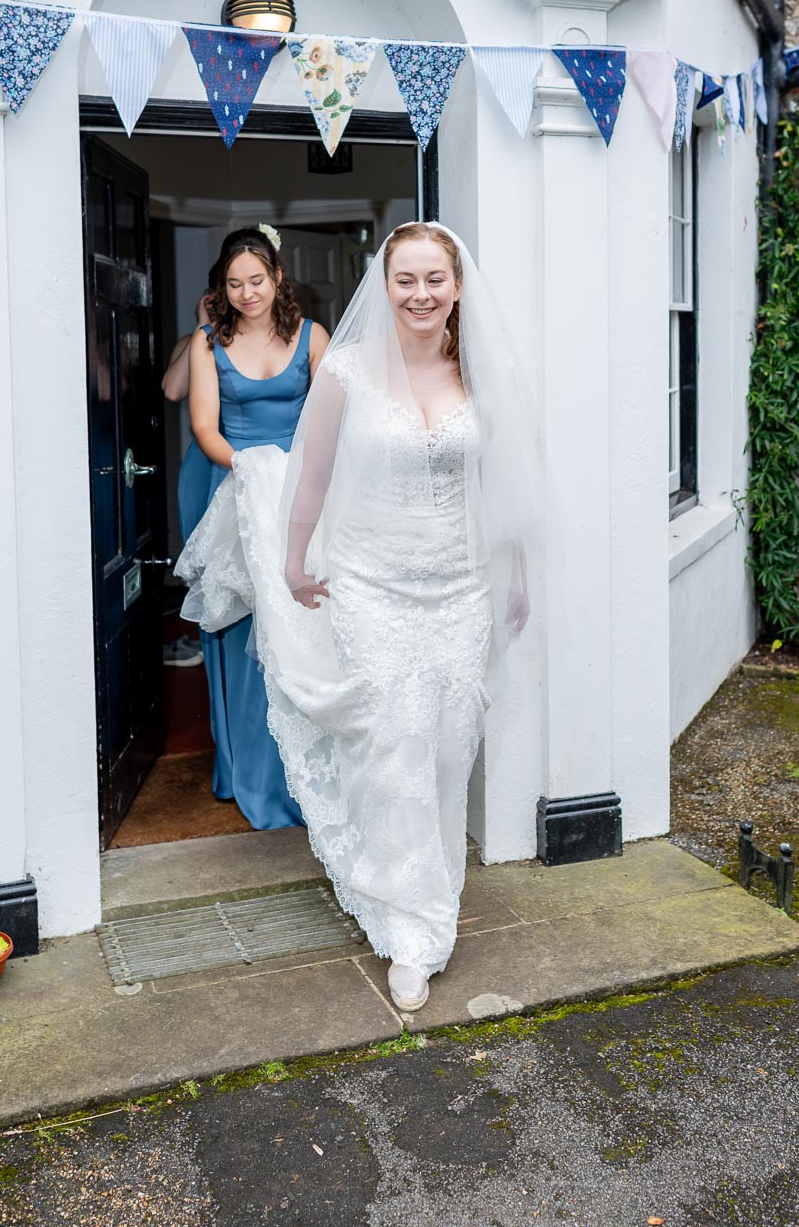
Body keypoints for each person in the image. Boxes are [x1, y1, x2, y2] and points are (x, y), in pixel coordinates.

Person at [178, 223, 538, 1012]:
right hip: (372, 583)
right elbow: (311, 475)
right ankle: (411, 931)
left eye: (433, 279)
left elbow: (504, 488)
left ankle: (424, 889)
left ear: (456, 285)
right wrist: (293, 559)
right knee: (394, 748)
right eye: (405, 279)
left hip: (461, 587)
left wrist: (517, 580)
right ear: (385, 287)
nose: (420, 294)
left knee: (447, 751)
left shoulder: (480, 371)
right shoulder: (343, 368)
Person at [184, 224, 330, 829]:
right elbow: (204, 428)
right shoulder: (206, 342)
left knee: (307, 626)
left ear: (277, 278)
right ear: (222, 287)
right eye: (234, 283)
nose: (247, 292)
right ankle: (252, 773)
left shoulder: (312, 336)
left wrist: (304, 476)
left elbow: (335, 417)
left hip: (307, 499)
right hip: (240, 491)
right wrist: (254, 469)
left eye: (257, 280)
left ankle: (315, 771)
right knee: (246, 635)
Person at [161, 291, 214, 668]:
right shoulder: (194, 342)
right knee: (209, 566)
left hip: (251, 460)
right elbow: (173, 389)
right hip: (203, 465)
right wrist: (202, 326)